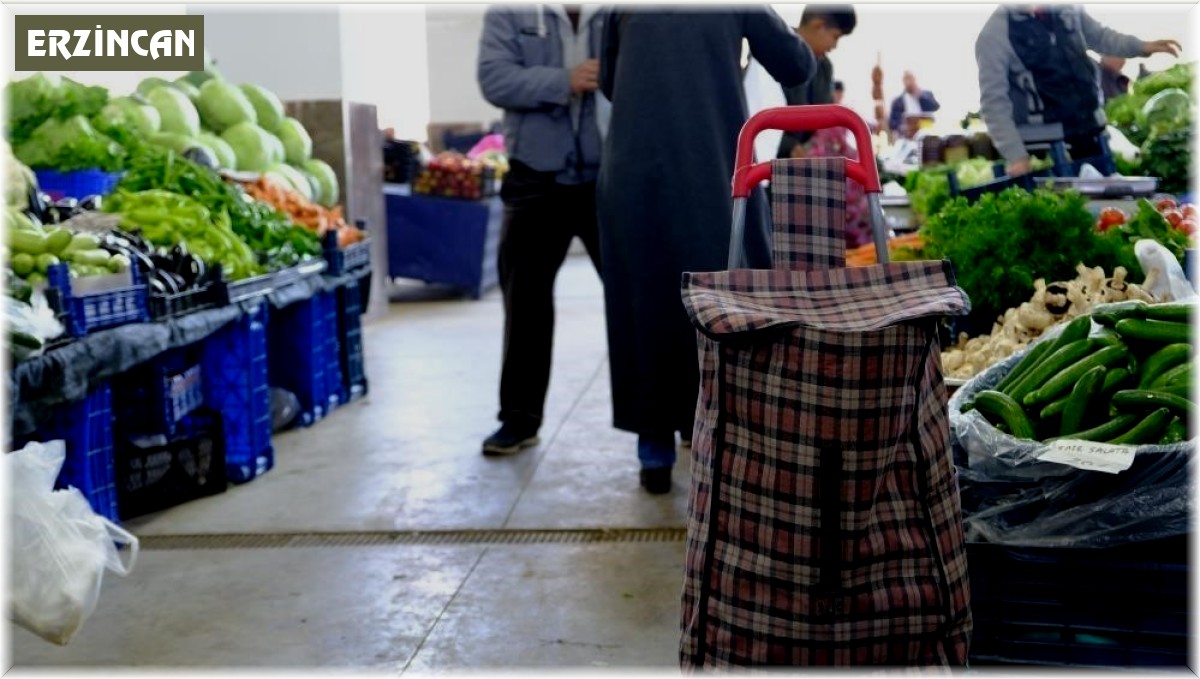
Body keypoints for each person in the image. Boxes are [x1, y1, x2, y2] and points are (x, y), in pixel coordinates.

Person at [597, 7, 816, 494]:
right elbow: (797, 65)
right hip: (710, 168)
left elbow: (611, 82)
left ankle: (654, 447)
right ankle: (718, 437)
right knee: (725, 299)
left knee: (646, 300)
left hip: (636, 169)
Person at [476, 5, 608, 455]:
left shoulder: (619, 11)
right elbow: (493, 78)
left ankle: (667, 418)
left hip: (609, 177)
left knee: (638, 302)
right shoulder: (509, 12)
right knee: (525, 301)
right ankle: (519, 419)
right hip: (534, 177)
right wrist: (563, 80)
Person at [975, 5, 1180, 176]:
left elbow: (1100, 37)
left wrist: (1141, 47)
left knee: (1109, 207)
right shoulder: (995, 33)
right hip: (1046, 149)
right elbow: (993, 103)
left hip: (1091, 133)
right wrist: (1016, 156)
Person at [776, 5, 856, 159]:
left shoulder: (825, 67)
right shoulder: (773, 53)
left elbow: (826, 117)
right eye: (835, 37)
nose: (834, 46)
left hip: (804, 161)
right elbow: (752, 112)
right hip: (767, 161)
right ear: (818, 25)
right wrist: (789, 146)